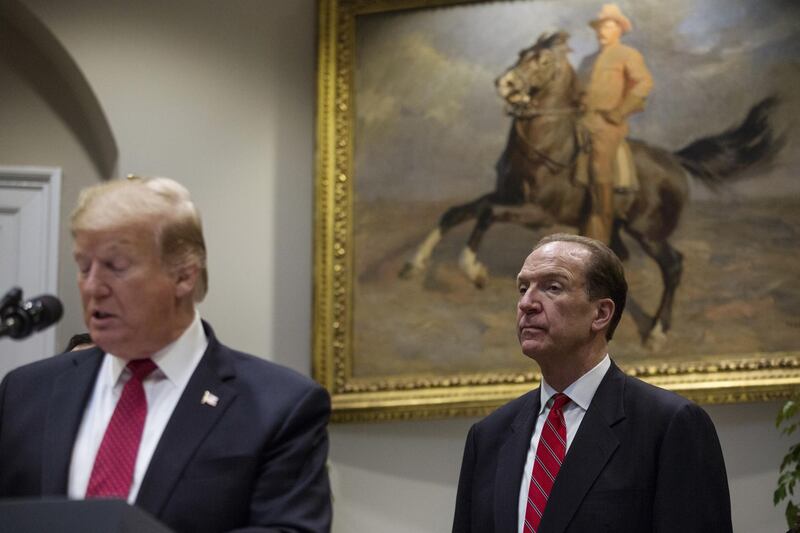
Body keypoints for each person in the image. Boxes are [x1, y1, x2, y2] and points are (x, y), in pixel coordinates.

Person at [0, 176, 332, 533]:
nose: (93, 286)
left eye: (116, 266)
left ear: (184, 275)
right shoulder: (25, 392)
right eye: (84, 267)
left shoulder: (280, 406)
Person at [452, 233, 732, 533]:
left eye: (552, 287)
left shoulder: (669, 426)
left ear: (601, 313)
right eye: (523, 288)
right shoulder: (488, 437)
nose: (527, 303)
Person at [580, 4, 653, 244]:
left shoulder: (627, 54)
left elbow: (643, 83)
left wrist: (620, 111)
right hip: (581, 121)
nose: (602, 30)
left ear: (619, 29)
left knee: (600, 168)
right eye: (600, 26)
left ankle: (601, 232)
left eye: (608, 26)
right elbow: (579, 91)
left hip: (606, 125)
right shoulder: (588, 60)